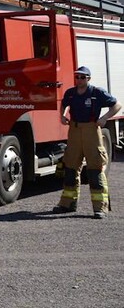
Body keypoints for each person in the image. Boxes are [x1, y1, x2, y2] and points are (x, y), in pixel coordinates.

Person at [52, 66, 122, 219]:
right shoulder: (71, 93)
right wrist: (62, 116)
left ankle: (100, 208)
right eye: (77, 76)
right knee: (70, 167)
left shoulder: (97, 93)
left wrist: (104, 118)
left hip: (92, 130)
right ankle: (67, 204)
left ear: (88, 79)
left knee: (94, 168)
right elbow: (64, 104)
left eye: (83, 77)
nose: (79, 79)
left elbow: (117, 105)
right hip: (75, 130)